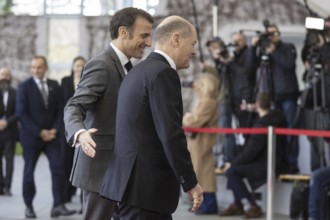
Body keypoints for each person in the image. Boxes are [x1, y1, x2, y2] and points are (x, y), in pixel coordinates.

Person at [100, 15, 204, 220]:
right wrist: (190, 181)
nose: (193, 51)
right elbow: (170, 133)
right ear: (176, 39)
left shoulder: (139, 71)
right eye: (192, 44)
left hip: (128, 187)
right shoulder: (163, 73)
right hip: (145, 191)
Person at [63, 7, 153, 220]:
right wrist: (80, 133)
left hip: (120, 168)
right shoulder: (101, 65)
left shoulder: (127, 66)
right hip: (100, 169)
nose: (149, 42)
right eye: (144, 35)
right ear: (123, 32)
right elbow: (74, 106)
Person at [16, 56, 76, 218]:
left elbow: (60, 110)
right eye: (33, 68)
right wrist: (39, 132)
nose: (36, 70)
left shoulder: (54, 85)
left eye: (39, 67)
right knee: (29, 172)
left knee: (58, 169)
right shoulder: (24, 87)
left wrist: (55, 130)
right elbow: (21, 113)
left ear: (46, 68)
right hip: (31, 138)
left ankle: (58, 205)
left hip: (52, 137)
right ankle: (29, 206)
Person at [220, 92, 288, 218]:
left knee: (231, 171)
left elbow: (251, 152)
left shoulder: (262, 124)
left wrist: (232, 163)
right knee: (233, 166)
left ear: (257, 104)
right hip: (276, 161)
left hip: (266, 164)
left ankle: (253, 205)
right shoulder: (277, 117)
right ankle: (238, 203)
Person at [250, 23, 300, 173]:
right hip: (272, 96)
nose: (271, 37)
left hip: (288, 94)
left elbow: (289, 65)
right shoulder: (264, 49)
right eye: (268, 34)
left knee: (291, 129)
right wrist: (253, 47)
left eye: (273, 33)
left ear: (279, 34)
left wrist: (274, 51)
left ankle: (292, 164)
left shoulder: (288, 47)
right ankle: (278, 163)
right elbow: (252, 67)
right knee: (276, 131)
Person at [183, 73, 219, 214]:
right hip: (199, 140)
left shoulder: (208, 102)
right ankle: (204, 203)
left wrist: (187, 116)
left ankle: (208, 204)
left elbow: (194, 120)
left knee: (204, 172)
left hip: (202, 140)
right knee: (201, 171)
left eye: (201, 83)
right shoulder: (206, 100)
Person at [60, 56, 86, 204]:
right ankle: (67, 194)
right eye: (77, 65)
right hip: (68, 127)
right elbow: (61, 105)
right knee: (67, 162)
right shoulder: (64, 81)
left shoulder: (89, 80)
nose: (79, 68)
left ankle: (83, 199)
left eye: (82, 65)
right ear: (72, 67)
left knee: (83, 164)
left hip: (84, 127)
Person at [0, 67, 18, 196]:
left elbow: (19, 111)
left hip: (10, 131)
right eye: (2, 75)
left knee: (10, 160)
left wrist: (7, 122)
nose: (5, 77)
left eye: (7, 75)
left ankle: (7, 186)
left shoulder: (15, 92)